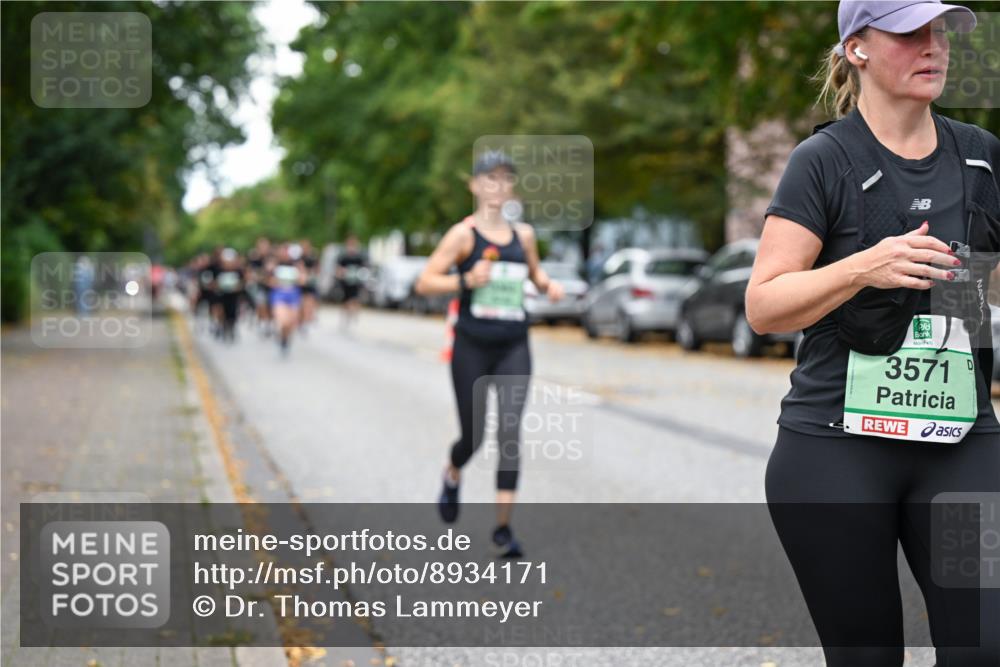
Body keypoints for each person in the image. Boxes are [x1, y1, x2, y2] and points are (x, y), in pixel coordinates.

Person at [747, 2, 1000, 665]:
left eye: (940, 32)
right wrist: (866, 265)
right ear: (857, 48)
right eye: (911, 33)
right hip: (835, 447)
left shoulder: (981, 158)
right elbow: (764, 305)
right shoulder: (823, 160)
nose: (934, 46)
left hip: (963, 440)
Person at [415, 151, 564, 557]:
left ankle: (503, 528)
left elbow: (534, 272)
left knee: (510, 434)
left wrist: (549, 285)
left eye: (505, 179)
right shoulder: (462, 236)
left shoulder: (525, 236)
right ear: (475, 185)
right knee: (475, 436)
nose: (498, 186)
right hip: (472, 345)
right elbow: (425, 282)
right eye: (490, 178)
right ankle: (453, 470)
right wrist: (465, 278)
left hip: (514, 343)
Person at [269, 243, 305, 356]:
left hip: (293, 295)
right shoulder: (274, 264)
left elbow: (303, 281)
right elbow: (269, 282)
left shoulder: (297, 264)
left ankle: (285, 339)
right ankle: (280, 334)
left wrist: (299, 273)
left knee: (291, 322)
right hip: (279, 294)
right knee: (283, 320)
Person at [335, 234, 368, 332]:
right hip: (346, 282)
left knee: (355, 299)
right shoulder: (343, 257)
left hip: (356, 282)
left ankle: (353, 313)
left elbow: (364, 269)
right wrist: (342, 273)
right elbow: (338, 270)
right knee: (346, 300)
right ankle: (346, 315)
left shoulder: (359, 257)